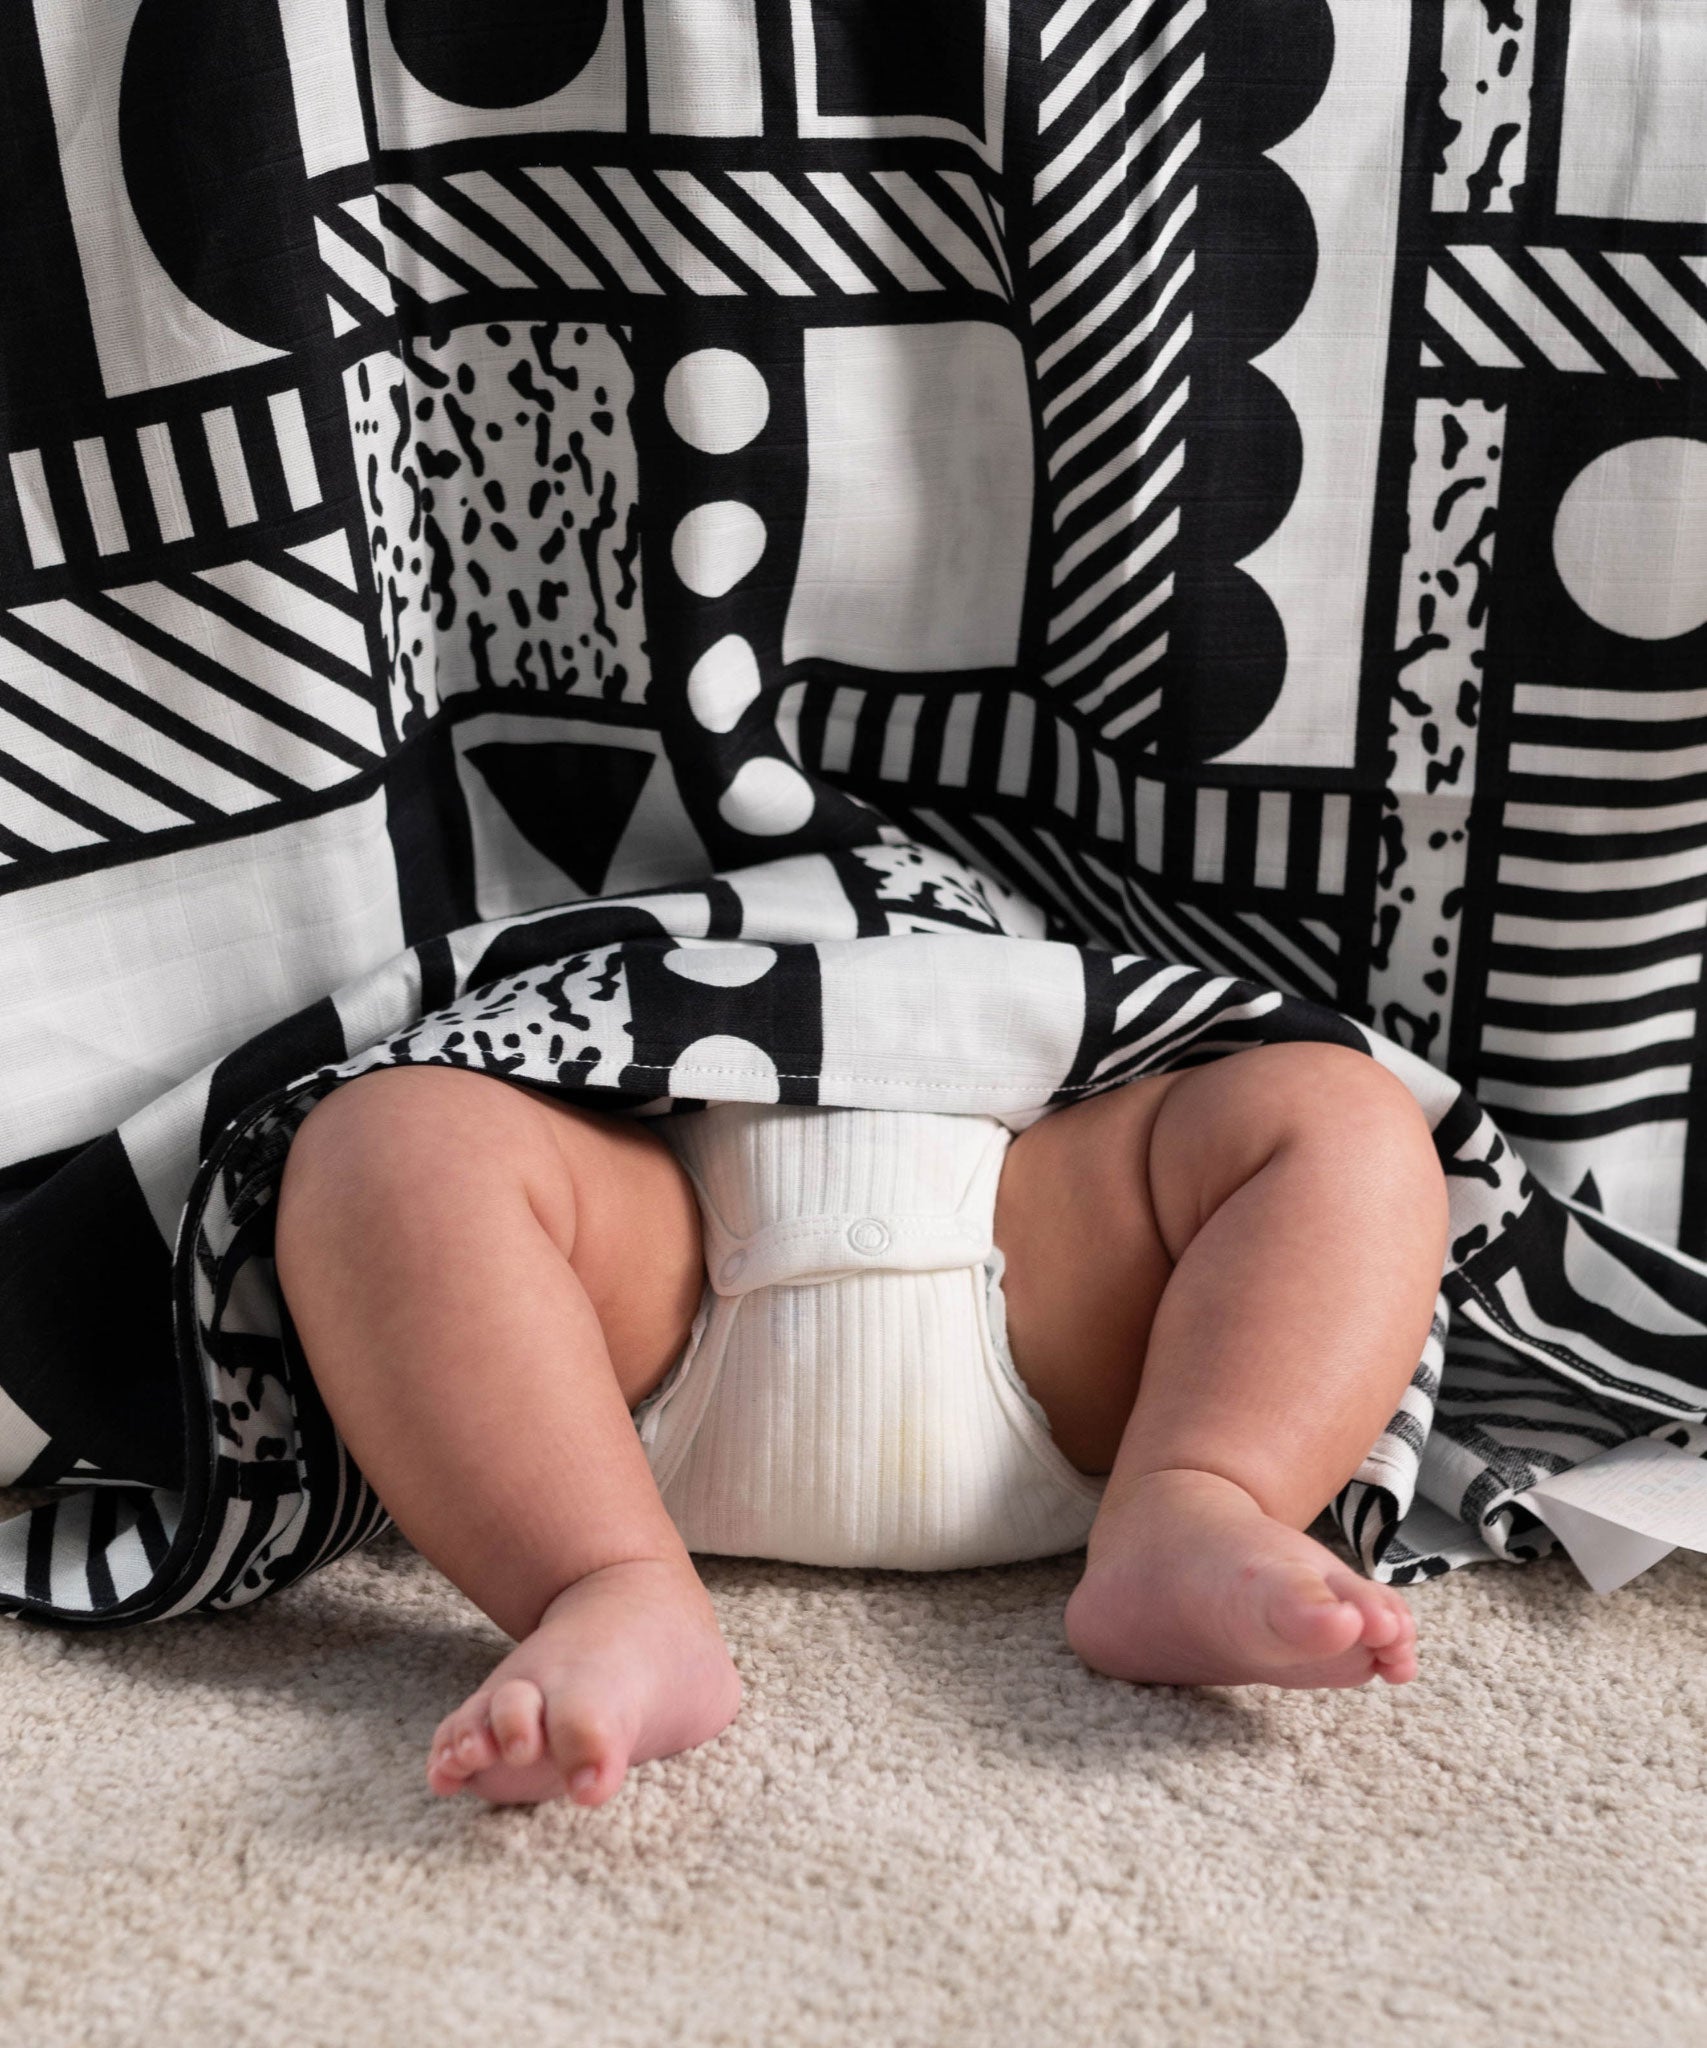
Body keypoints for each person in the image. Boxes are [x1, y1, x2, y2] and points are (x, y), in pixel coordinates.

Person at [273, 1040, 1445, 1807]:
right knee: (392, 1133)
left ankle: (1199, 1495)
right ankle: (604, 1579)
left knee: (1339, 1105)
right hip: (632, 1261)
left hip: (1044, 1234)